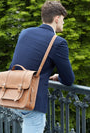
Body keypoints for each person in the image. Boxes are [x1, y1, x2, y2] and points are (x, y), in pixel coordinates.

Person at [9, 1, 75, 133]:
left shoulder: (25, 33)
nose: (63, 22)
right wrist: (58, 76)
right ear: (57, 18)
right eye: (63, 19)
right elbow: (68, 79)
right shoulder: (58, 42)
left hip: (13, 94)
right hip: (32, 101)